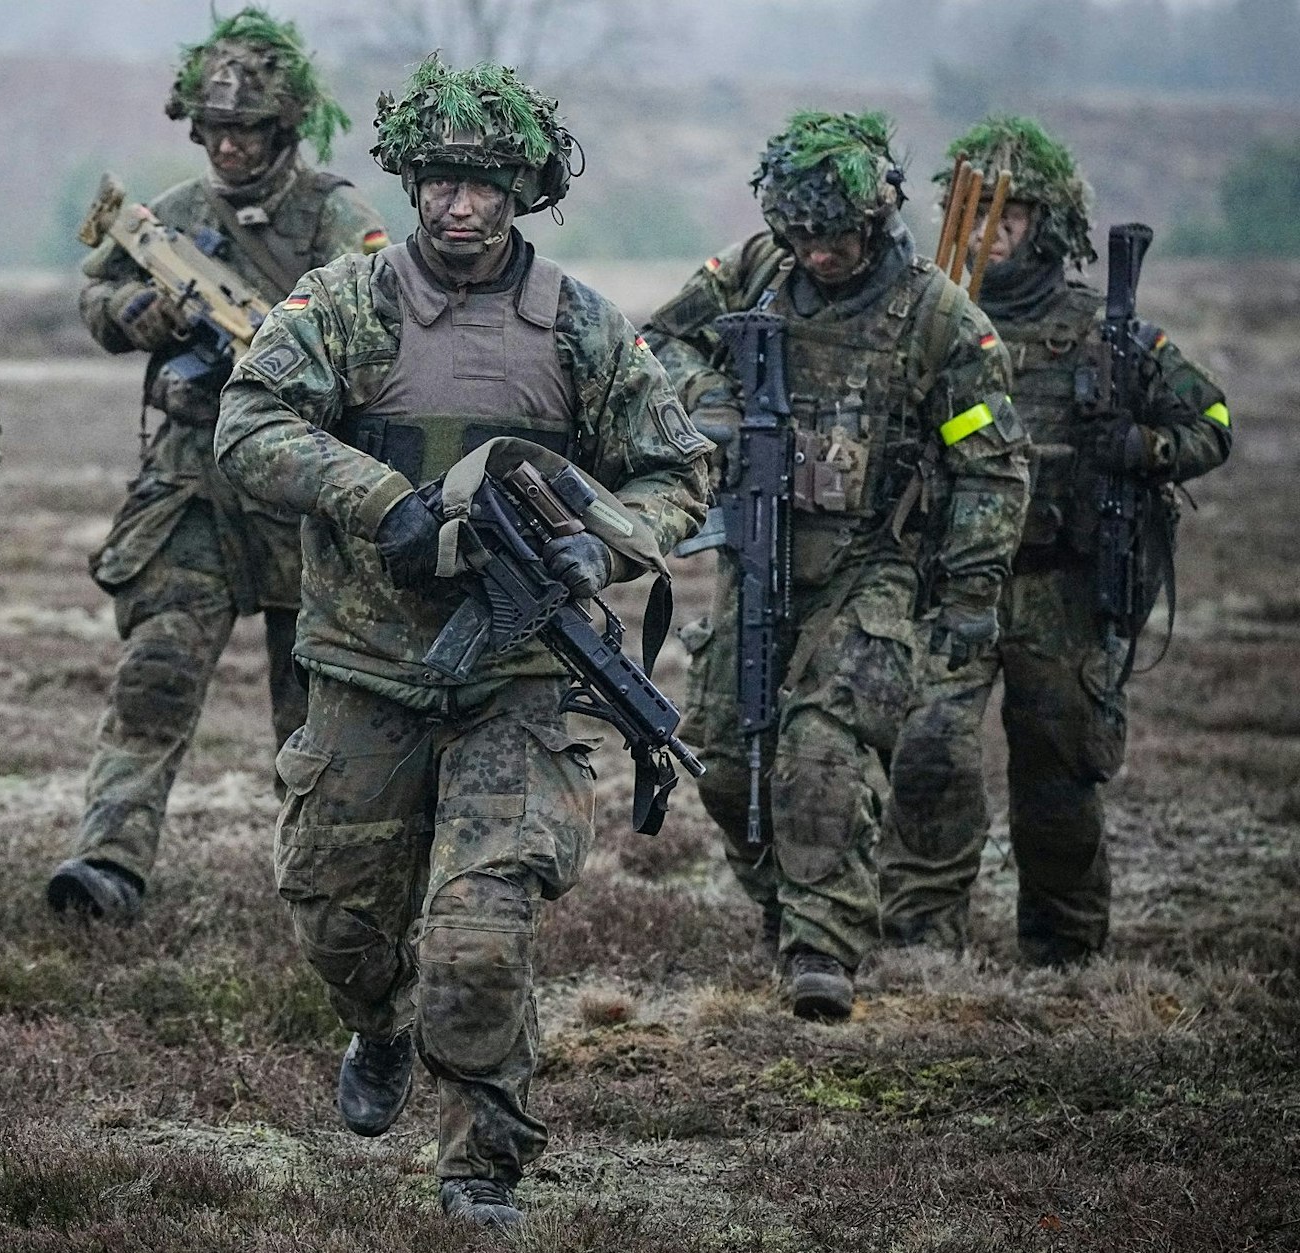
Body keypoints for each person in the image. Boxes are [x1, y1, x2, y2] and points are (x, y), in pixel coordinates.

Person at [215, 56, 711, 1228]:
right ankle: (376, 1022)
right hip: (363, 668)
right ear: (411, 181)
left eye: (486, 183)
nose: (459, 205)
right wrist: (375, 498)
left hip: (517, 680)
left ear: (524, 190)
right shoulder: (347, 301)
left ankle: (481, 1160)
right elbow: (248, 421)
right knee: (338, 917)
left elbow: (677, 466)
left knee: (480, 935)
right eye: (439, 179)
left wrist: (605, 543)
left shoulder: (581, 325)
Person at [641, 111, 1030, 1019]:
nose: (819, 254)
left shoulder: (940, 320)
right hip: (755, 553)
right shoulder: (750, 273)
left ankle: (823, 947)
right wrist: (712, 407)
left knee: (819, 752)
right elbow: (655, 345)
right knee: (726, 760)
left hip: (875, 570)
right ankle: (787, 908)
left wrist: (971, 593)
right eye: (803, 235)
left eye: (838, 236)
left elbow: (992, 466)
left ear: (878, 217)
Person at [48, 7, 387, 922]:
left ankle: (329, 891)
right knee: (153, 677)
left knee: (312, 709)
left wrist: (290, 346)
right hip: (190, 488)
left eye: (247, 131)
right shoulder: (174, 217)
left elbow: (387, 318)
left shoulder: (332, 214)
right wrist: (139, 317)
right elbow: (98, 293)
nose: (230, 147)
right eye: (216, 130)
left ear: (283, 130)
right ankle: (107, 864)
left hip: (298, 491)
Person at [880, 116, 1231, 964]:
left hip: (1060, 590)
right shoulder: (928, 324)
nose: (991, 237)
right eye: (978, 217)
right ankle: (922, 944)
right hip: (953, 579)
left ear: (1050, 228)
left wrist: (1141, 448)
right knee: (926, 753)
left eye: (1012, 219)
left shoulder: (1105, 335)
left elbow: (1212, 420)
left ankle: (1064, 952)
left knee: (1060, 773)